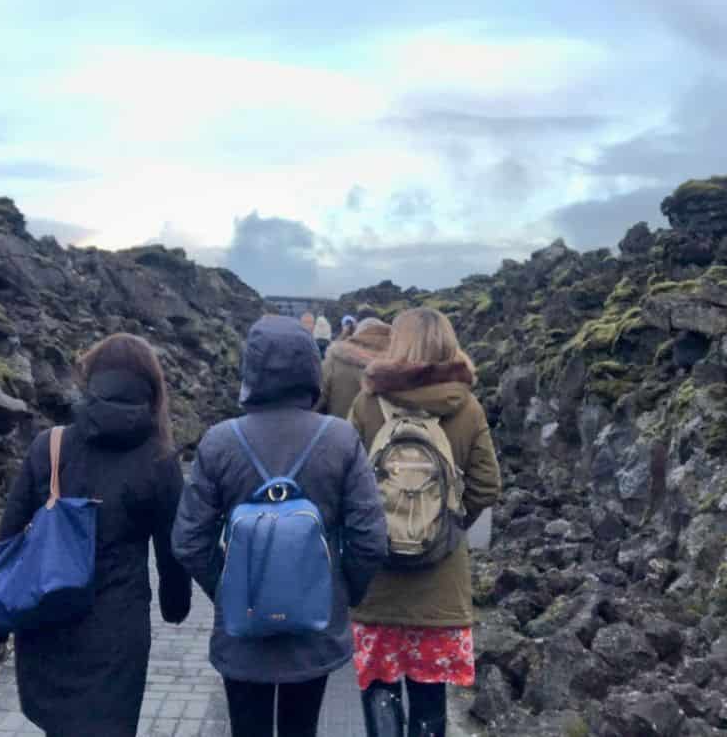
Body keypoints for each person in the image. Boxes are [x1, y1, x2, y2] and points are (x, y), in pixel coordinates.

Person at [173, 315, 388, 737]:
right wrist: (340, 592)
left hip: (243, 632)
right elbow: (371, 540)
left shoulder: (219, 440)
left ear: (250, 370)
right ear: (310, 367)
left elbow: (188, 540)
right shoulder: (341, 439)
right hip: (314, 631)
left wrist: (229, 589)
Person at [0, 333, 192, 737]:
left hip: (46, 619)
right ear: (151, 389)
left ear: (92, 382)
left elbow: (8, 537)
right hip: (117, 632)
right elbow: (174, 551)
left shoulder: (49, 445)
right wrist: (175, 606)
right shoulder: (160, 460)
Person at [348, 308, 502, 737]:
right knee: (430, 698)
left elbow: (345, 484)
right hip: (440, 587)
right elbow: (488, 485)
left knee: (379, 688)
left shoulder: (366, 404)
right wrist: (448, 527)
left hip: (377, 584)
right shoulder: (466, 407)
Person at [317, 317, 392, 420]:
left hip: (340, 432)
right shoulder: (400, 364)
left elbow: (316, 403)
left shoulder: (334, 361)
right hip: (387, 434)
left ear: (356, 334)